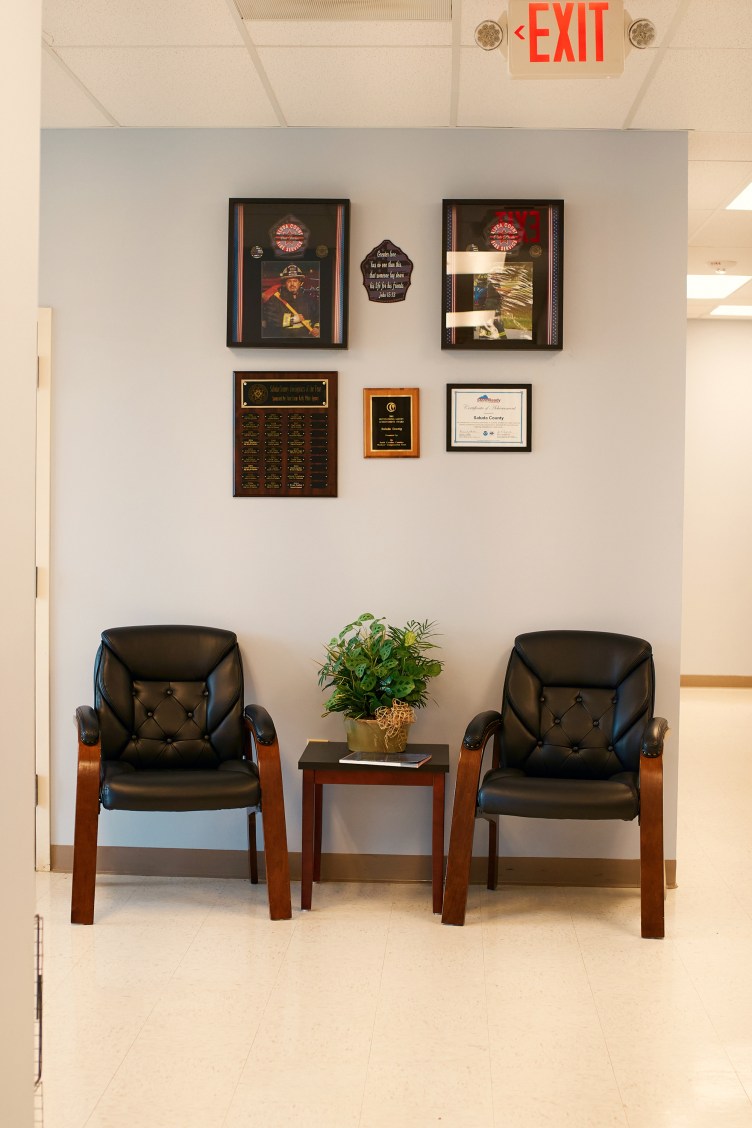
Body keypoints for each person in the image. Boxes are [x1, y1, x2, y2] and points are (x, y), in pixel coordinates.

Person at [262, 263, 320, 338]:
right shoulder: (275, 300)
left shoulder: (309, 300)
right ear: (284, 283)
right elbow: (270, 319)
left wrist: (317, 328)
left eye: (295, 281)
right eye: (289, 281)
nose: (292, 284)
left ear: (300, 283)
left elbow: (318, 316)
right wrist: (292, 319)